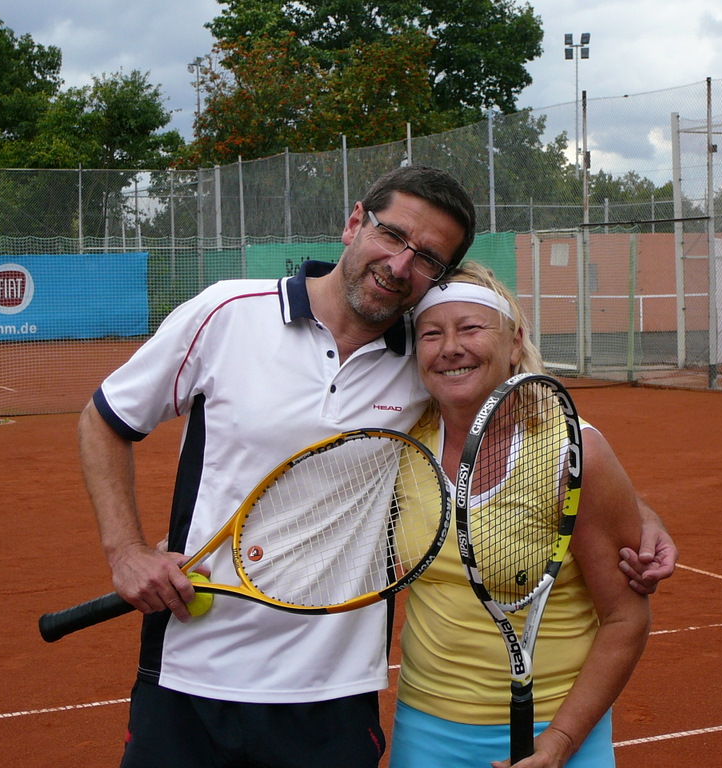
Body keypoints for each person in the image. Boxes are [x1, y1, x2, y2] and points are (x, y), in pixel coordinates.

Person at [77, 166, 674, 768]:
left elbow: (534, 433)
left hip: (333, 694)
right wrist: (125, 551)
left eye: (428, 258)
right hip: (190, 672)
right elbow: (106, 418)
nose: (400, 264)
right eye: (392, 234)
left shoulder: (421, 359)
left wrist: (638, 517)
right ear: (355, 222)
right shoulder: (227, 313)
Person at [390, 262, 654, 768]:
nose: (450, 347)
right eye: (431, 334)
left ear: (514, 344)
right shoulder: (400, 444)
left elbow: (626, 618)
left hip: (557, 729)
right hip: (425, 727)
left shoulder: (571, 452)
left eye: (470, 327)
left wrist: (559, 743)